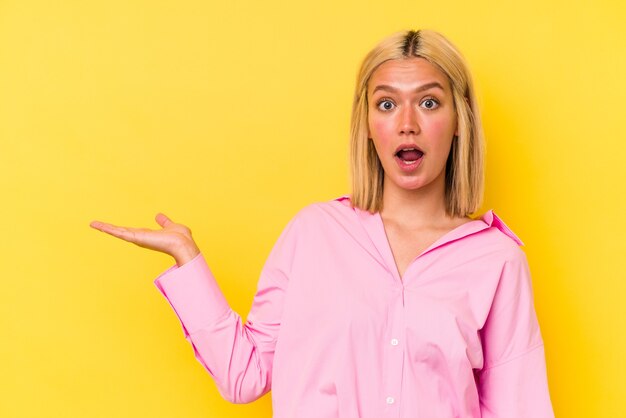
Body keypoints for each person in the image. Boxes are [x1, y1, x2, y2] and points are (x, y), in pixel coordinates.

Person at [90, 29, 555, 417]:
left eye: (429, 103)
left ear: (459, 121)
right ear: (368, 122)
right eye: (387, 104)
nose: (407, 123)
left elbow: (521, 408)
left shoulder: (496, 261)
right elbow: (244, 376)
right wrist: (187, 260)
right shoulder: (314, 233)